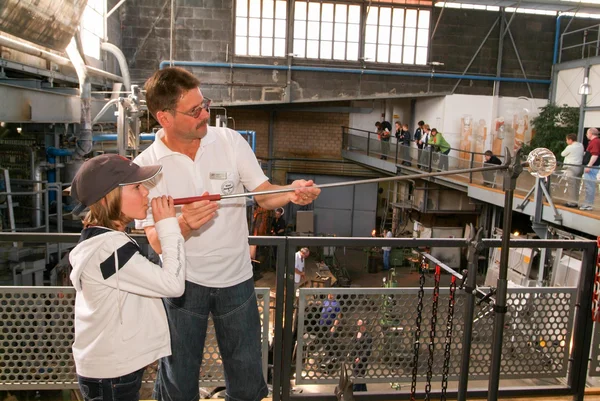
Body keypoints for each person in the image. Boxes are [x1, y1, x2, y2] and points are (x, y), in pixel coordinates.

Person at [136, 67, 321, 401]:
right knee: (178, 382)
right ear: (163, 117)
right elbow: (154, 240)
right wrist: (183, 225)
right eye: (194, 111)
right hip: (181, 286)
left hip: (236, 280)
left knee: (248, 379)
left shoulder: (228, 142)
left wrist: (292, 192)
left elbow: (263, 194)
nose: (205, 114)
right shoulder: (147, 168)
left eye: (204, 104)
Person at [68, 154, 185, 401]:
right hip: (112, 373)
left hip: (109, 368)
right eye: (137, 187)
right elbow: (173, 284)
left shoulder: (101, 242)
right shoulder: (109, 249)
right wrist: (169, 227)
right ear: (109, 196)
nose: (146, 194)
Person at [561, 133, 584, 208]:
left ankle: (571, 202)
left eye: (567, 140)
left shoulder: (570, 147)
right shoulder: (581, 145)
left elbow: (562, 154)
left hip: (571, 167)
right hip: (579, 167)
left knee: (571, 185)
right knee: (577, 185)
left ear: (570, 140)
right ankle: (576, 201)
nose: (566, 141)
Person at [350, 318, 372, 392]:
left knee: (358, 376)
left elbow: (367, 350)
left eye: (360, 325)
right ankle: (364, 392)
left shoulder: (367, 336)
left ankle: (356, 392)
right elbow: (353, 345)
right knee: (359, 376)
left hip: (362, 361)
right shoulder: (356, 334)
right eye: (358, 324)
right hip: (354, 359)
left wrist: (360, 358)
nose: (359, 326)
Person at [581, 127, 600, 211]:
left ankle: (588, 204)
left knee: (590, 185)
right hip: (592, 166)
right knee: (589, 185)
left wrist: (589, 165)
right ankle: (587, 203)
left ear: (591, 134)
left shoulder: (595, 142)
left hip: (591, 167)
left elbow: (595, 154)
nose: (586, 135)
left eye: (587, 133)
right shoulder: (594, 142)